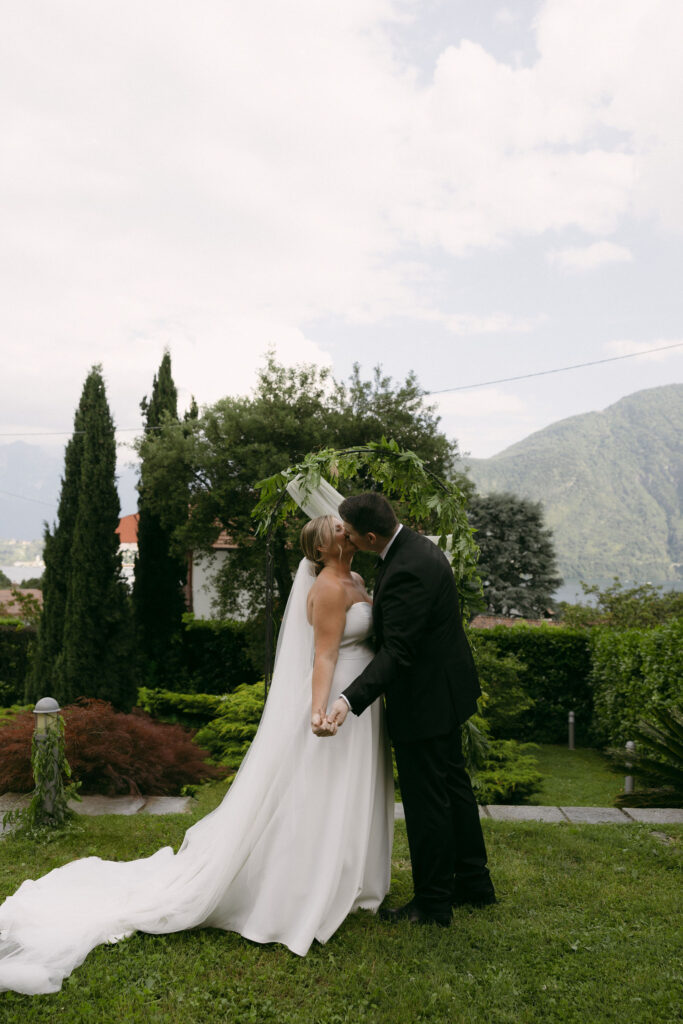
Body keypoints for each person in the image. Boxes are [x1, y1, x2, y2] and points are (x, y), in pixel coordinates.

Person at [0, 515, 393, 996]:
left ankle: (348, 878)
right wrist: (319, 714)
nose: (344, 528)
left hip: (360, 702)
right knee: (319, 795)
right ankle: (304, 887)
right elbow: (326, 656)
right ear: (321, 550)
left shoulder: (355, 578)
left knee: (345, 794)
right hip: (333, 700)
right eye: (335, 527)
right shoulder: (331, 587)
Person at [323, 492, 495, 926]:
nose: (347, 537)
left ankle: (433, 903)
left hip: (426, 701)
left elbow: (398, 653)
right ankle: (474, 882)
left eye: (351, 533)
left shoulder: (406, 569)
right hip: (447, 690)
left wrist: (348, 699)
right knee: (454, 788)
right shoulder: (416, 545)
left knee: (428, 802)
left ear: (372, 535)